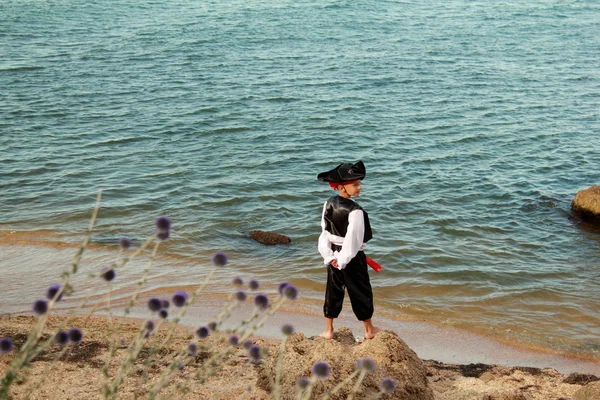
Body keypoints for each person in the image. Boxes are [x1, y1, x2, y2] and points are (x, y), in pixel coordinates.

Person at [317, 160, 380, 340]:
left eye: (359, 183)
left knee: (333, 291)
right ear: (342, 188)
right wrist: (343, 260)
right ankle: (369, 331)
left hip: (333, 256)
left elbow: (325, 233)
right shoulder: (356, 211)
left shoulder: (328, 203)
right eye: (355, 184)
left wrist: (330, 257)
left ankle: (328, 330)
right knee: (361, 291)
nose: (359, 187)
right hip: (351, 259)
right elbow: (353, 240)